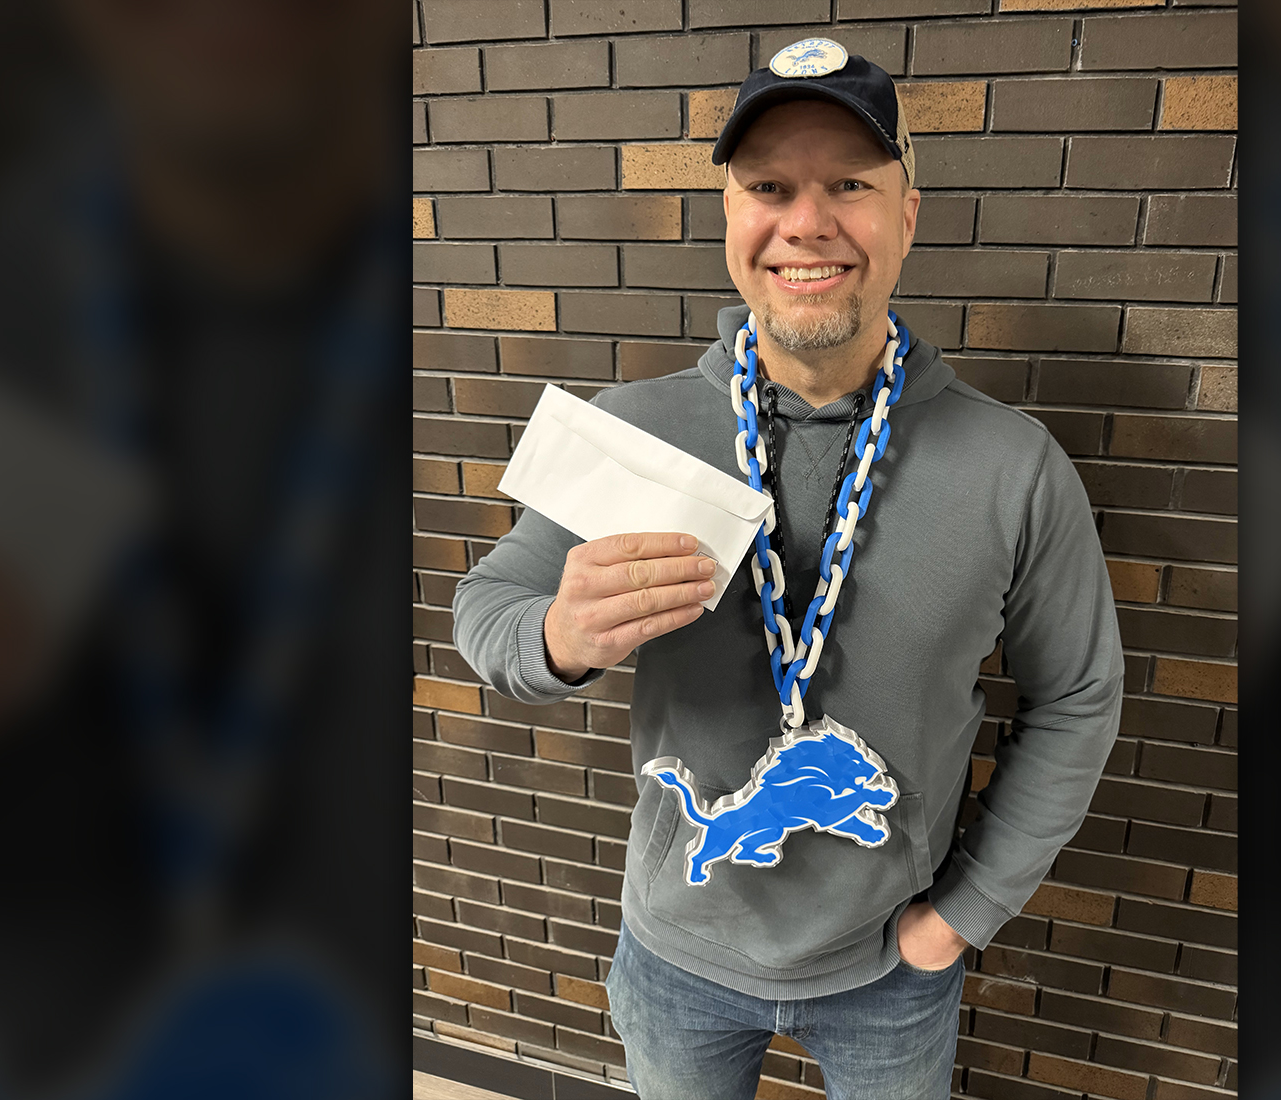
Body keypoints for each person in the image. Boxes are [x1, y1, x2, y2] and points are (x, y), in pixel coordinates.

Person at [454, 40, 1123, 1100]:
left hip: (891, 972)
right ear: (730, 217)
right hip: (674, 959)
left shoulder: (1014, 466)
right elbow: (485, 607)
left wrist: (961, 918)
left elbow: (1078, 695)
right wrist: (558, 637)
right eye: (768, 187)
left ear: (906, 216)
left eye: (849, 185)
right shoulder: (635, 432)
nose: (806, 223)